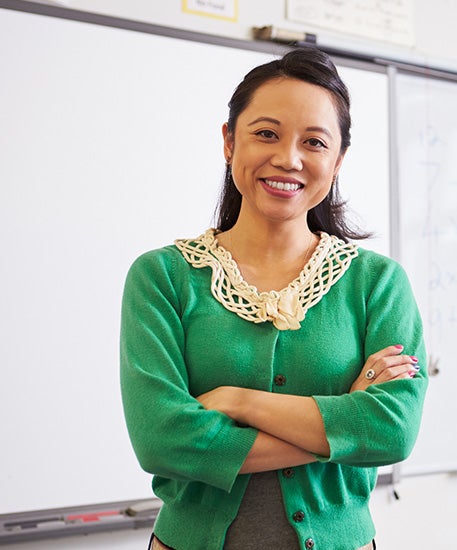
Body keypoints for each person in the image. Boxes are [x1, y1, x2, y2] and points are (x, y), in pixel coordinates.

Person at [119, 47, 428, 550]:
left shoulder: (378, 283)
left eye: (314, 142)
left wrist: (240, 402)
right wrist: (346, 414)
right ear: (228, 141)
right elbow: (162, 440)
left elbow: (392, 433)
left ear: (337, 160)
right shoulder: (162, 277)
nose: (288, 158)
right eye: (266, 133)